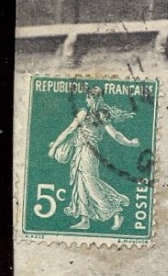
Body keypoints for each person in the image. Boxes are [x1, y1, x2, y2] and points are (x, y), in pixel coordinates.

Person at [48, 85, 139, 230]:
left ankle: (116, 212)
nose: (86, 100)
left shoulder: (99, 115)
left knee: (91, 183)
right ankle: (85, 220)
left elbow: (114, 134)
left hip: (89, 152)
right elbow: (70, 131)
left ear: (93, 98)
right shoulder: (85, 113)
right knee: (80, 184)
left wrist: (130, 143)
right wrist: (55, 146)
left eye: (88, 97)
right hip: (79, 151)